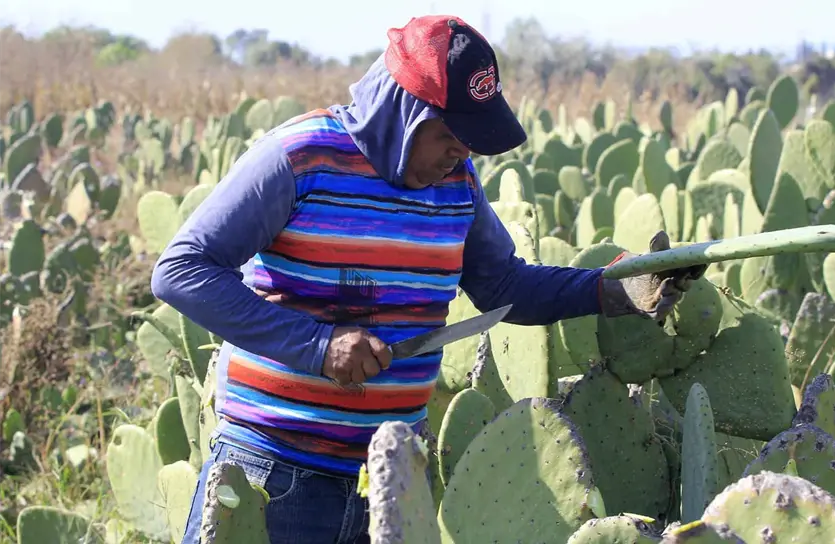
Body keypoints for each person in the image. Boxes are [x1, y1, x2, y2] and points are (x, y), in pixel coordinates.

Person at [151, 14, 706, 544]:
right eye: (449, 134)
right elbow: (181, 270)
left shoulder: (456, 182)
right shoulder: (299, 158)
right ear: (404, 109)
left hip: (389, 480)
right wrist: (317, 346)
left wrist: (613, 288)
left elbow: (505, 288)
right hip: (275, 475)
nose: (461, 152)